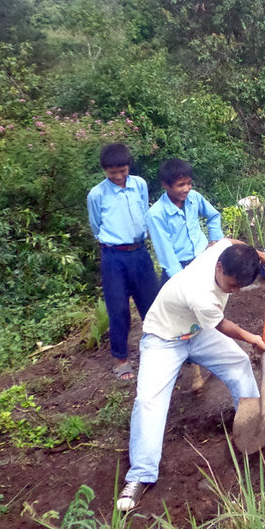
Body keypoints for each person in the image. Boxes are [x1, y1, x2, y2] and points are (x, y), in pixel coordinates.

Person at [116, 239, 265, 512]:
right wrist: (254, 339)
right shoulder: (199, 292)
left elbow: (228, 240)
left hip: (197, 332)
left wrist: (261, 255)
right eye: (231, 285)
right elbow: (223, 325)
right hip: (164, 337)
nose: (235, 291)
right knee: (149, 401)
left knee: (238, 362)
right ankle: (140, 475)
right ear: (218, 268)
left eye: (241, 286)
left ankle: (253, 421)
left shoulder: (221, 253)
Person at [87, 142, 159, 381]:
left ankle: (161, 351)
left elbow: (143, 214)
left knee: (152, 304)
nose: (118, 176)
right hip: (113, 257)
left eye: (122, 170)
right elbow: (97, 226)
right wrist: (114, 241)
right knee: (118, 309)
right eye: (112, 172)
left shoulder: (139, 185)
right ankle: (121, 359)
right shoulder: (97, 194)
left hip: (140, 253)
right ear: (105, 170)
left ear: (129, 166)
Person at [146, 159, 223, 283]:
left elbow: (213, 216)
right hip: (178, 269)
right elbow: (166, 254)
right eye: (181, 185)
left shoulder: (194, 197)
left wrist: (215, 240)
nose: (187, 189)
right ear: (165, 185)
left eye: (189, 183)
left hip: (202, 260)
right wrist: (182, 279)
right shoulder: (156, 214)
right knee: (182, 301)